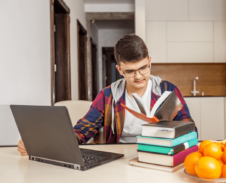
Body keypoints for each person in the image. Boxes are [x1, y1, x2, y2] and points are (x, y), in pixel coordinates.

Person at [17, 34, 197, 154]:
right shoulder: (108, 95)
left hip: (161, 154)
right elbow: (82, 131)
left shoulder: (168, 90)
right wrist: (42, 142)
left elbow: (190, 129)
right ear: (119, 69)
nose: (138, 76)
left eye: (143, 68)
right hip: (120, 157)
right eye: (130, 71)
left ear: (150, 61)